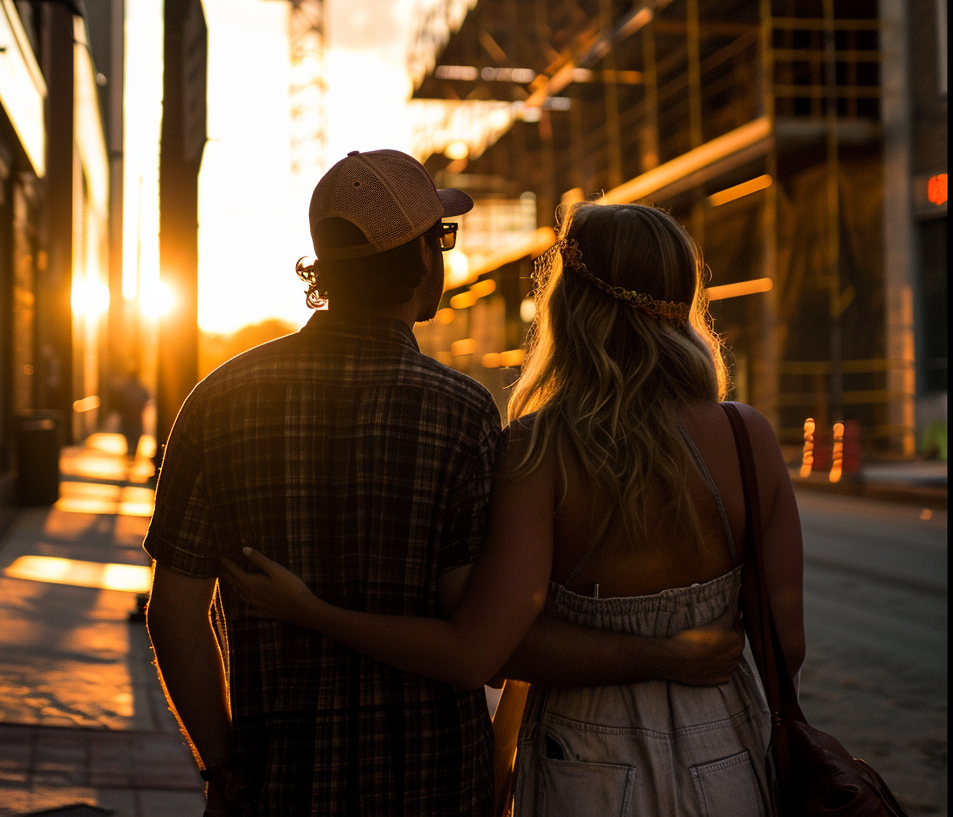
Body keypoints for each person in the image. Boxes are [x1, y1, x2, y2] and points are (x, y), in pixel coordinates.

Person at [224, 201, 804, 816]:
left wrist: (312, 611)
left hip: (586, 763)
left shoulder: (542, 450)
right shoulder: (749, 439)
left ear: (569, 307)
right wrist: (680, 656)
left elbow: (487, 649)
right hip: (731, 753)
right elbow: (784, 645)